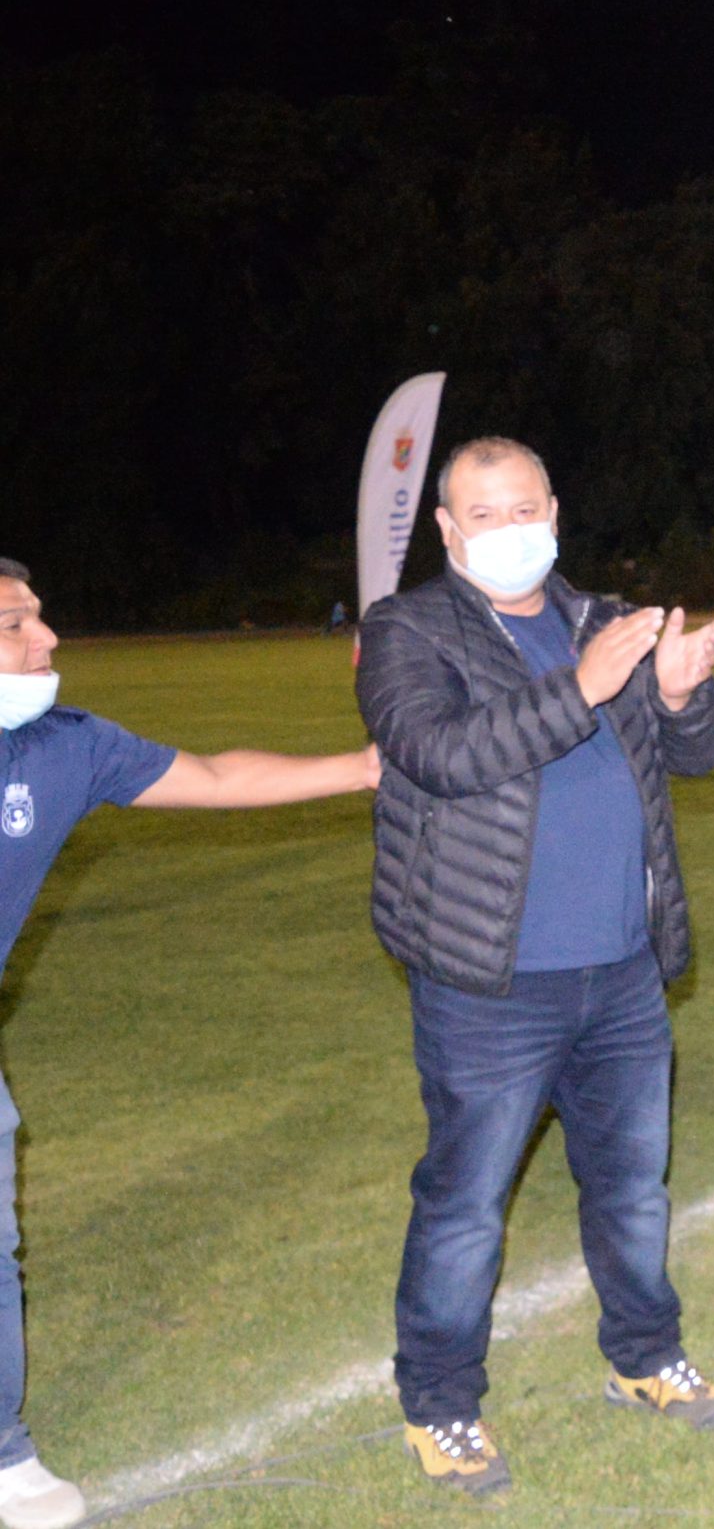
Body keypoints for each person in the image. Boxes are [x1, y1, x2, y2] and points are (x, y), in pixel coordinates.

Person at [357, 437, 714, 1497]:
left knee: (629, 1189)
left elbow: (698, 754)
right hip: (491, 983)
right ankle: (439, 1407)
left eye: (528, 505)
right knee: (466, 1203)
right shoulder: (407, 631)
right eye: (487, 513)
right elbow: (443, 756)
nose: (513, 527)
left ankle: (645, 1357)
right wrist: (588, 684)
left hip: (619, 971)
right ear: (447, 529)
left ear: (557, 508)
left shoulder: (594, 618)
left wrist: (676, 691)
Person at [0, 559, 376, 1529]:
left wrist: (366, 767)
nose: (45, 640)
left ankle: (3, 1457)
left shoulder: (64, 749)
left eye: (37, 616)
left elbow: (211, 776)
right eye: (13, 625)